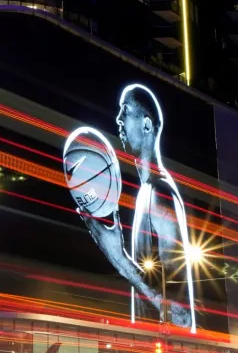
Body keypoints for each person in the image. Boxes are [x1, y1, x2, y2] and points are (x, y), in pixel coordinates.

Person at [76, 84, 196, 330]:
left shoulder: (159, 195)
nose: (118, 119)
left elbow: (182, 318)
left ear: (146, 125)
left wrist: (120, 260)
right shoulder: (148, 192)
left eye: (125, 110)